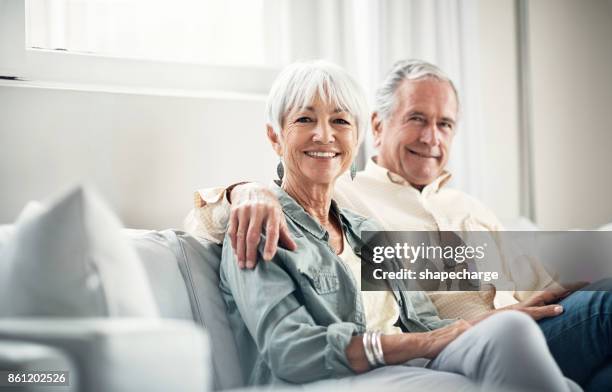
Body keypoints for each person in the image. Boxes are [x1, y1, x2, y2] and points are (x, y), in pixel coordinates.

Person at [186, 59, 612, 391]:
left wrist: (514, 311)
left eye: (339, 121)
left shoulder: (366, 226)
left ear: (354, 134)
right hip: (375, 366)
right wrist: (245, 189)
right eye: (304, 119)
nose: (325, 135)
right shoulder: (315, 203)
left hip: (464, 341)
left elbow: (426, 324)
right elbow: (290, 346)